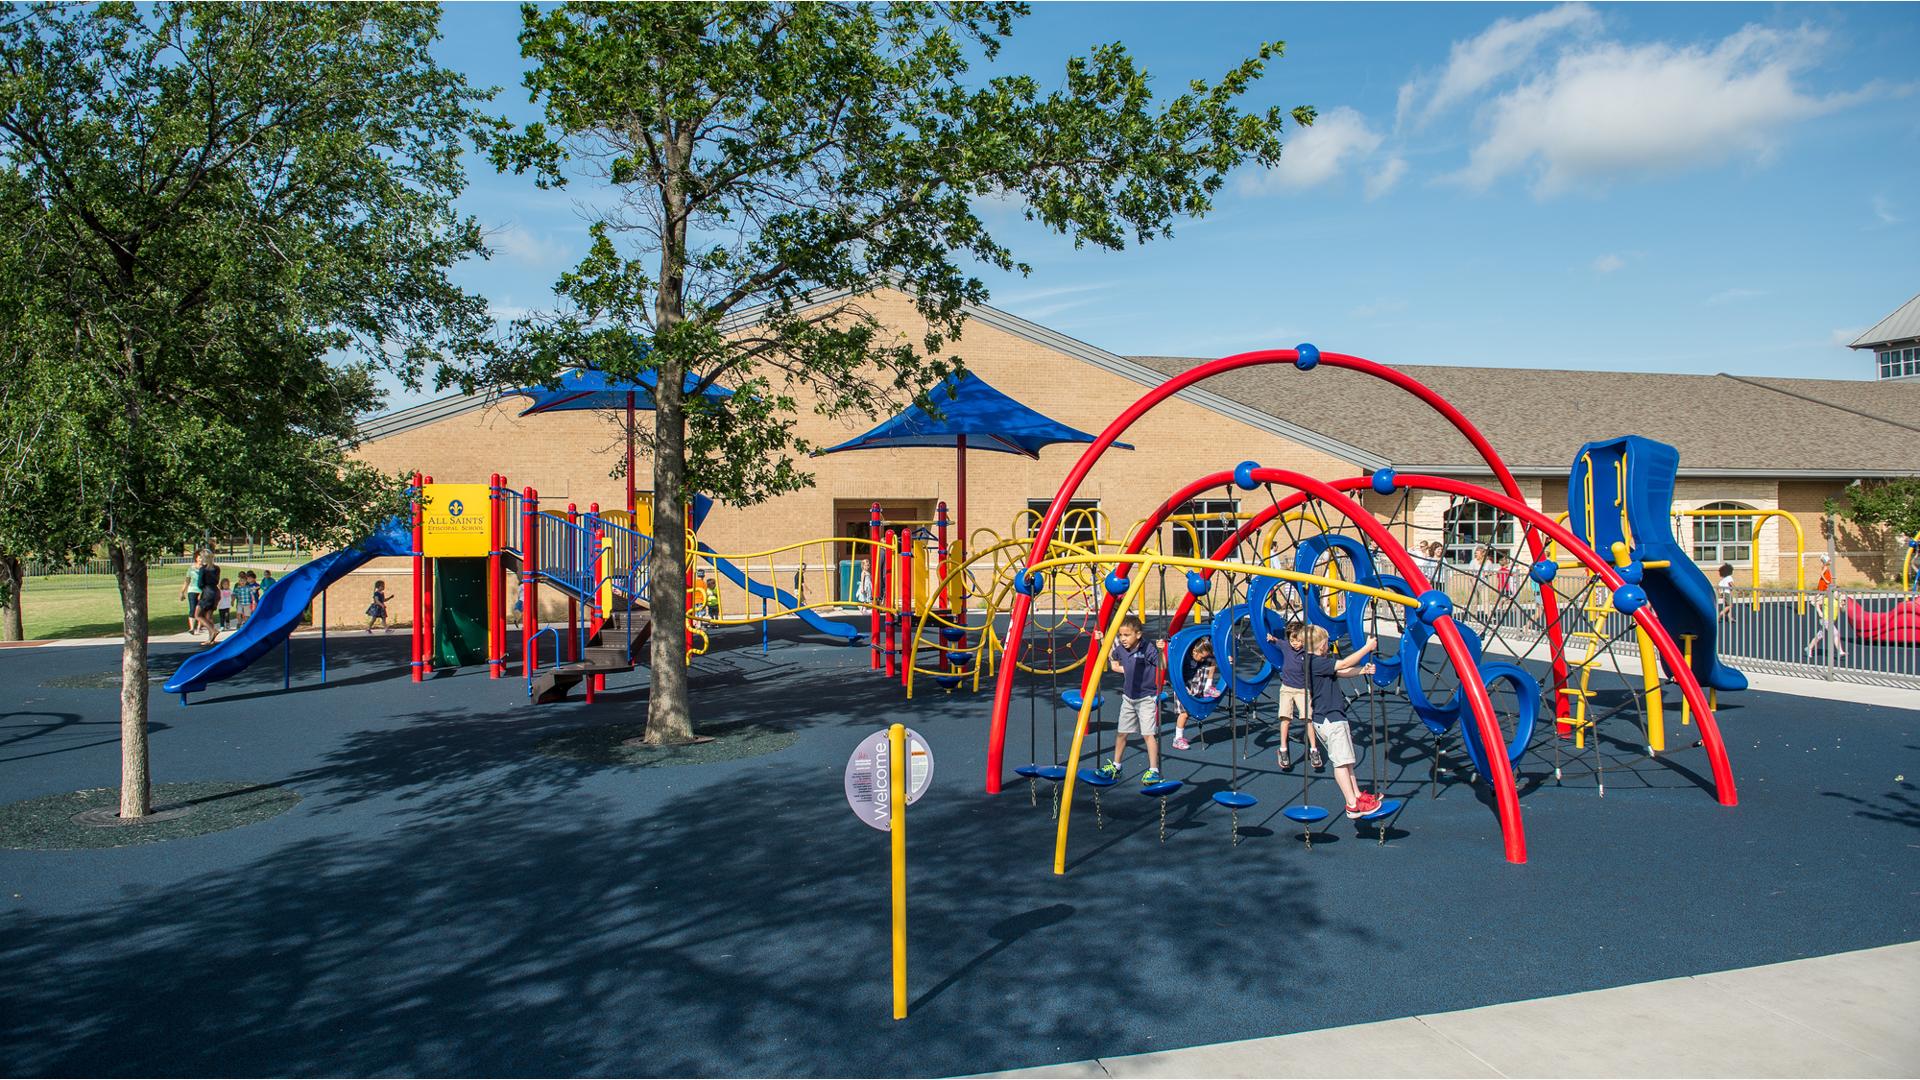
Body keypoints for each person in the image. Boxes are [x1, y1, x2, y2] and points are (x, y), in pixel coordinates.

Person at [1301, 625, 1383, 818]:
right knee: (1340, 763)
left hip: (1330, 718)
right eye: (1327, 643)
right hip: (1331, 719)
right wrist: (1367, 648)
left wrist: (1362, 670)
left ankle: (1356, 795)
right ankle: (1351, 804)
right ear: (1322, 645)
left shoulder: (1317, 661)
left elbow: (1341, 672)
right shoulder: (1314, 662)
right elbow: (1344, 663)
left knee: (1347, 762)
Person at [1099, 615, 1163, 784]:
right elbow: (1112, 657)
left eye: (1127, 635)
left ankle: (1154, 770)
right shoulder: (1120, 649)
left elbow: (1162, 665)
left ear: (1138, 634)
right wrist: (1102, 641)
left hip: (1146, 698)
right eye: (1121, 635)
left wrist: (1162, 650)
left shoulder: (1147, 648)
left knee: (1148, 734)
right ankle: (1117, 766)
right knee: (1121, 733)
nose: (1123, 639)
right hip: (1128, 697)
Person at [1268, 619, 1321, 772]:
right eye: (1292, 640)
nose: (1295, 643)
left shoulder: (1308, 652)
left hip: (1303, 690)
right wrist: (1271, 638)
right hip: (1286, 688)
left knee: (1307, 719)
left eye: (1298, 641)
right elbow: (1277, 641)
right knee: (1285, 718)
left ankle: (1314, 750)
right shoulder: (1286, 646)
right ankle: (1283, 749)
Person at [1170, 636, 1220, 751]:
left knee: (1212, 662)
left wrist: (1227, 659)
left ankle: (1208, 687)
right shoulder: (1185, 657)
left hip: (1193, 683)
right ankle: (1177, 739)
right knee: (1185, 713)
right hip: (1181, 685)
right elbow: (1176, 673)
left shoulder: (1202, 656)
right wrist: (1182, 688)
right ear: (1194, 651)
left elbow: (1215, 657)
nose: (1202, 660)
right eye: (1201, 657)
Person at [1803, 553, 1846, 660]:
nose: (1837, 594)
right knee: (1835, 633)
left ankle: (1809, 647)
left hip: (1831, 620)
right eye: (1836, 592)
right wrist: (1819, 612)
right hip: (1826, 620)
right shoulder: (1827, 598)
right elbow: (1817, 604)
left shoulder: (1837, 600)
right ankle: (1840, 651)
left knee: (1820, 636)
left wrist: (1843, 606)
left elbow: (1843, 610)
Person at [196, 554, 222, 644]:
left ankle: (213, 630)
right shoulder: (217, 568)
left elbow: (200, 583)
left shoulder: (203, 569)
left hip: (207, 592)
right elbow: (217, 581)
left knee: (198, 615)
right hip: (215, 592)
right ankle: (211, 638)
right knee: (209, 616)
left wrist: (202, 590)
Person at [179, 551, 206, 636]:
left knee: (200, 609)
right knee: (192, 608)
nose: (201, 559)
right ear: (196, 558)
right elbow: (187, 581)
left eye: (202, 557)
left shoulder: (205, 569)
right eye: (199, 557)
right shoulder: (191, 568)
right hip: (192, 590)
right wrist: (182, 592)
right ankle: (191, 628)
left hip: (202, 591)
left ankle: (199, 627)